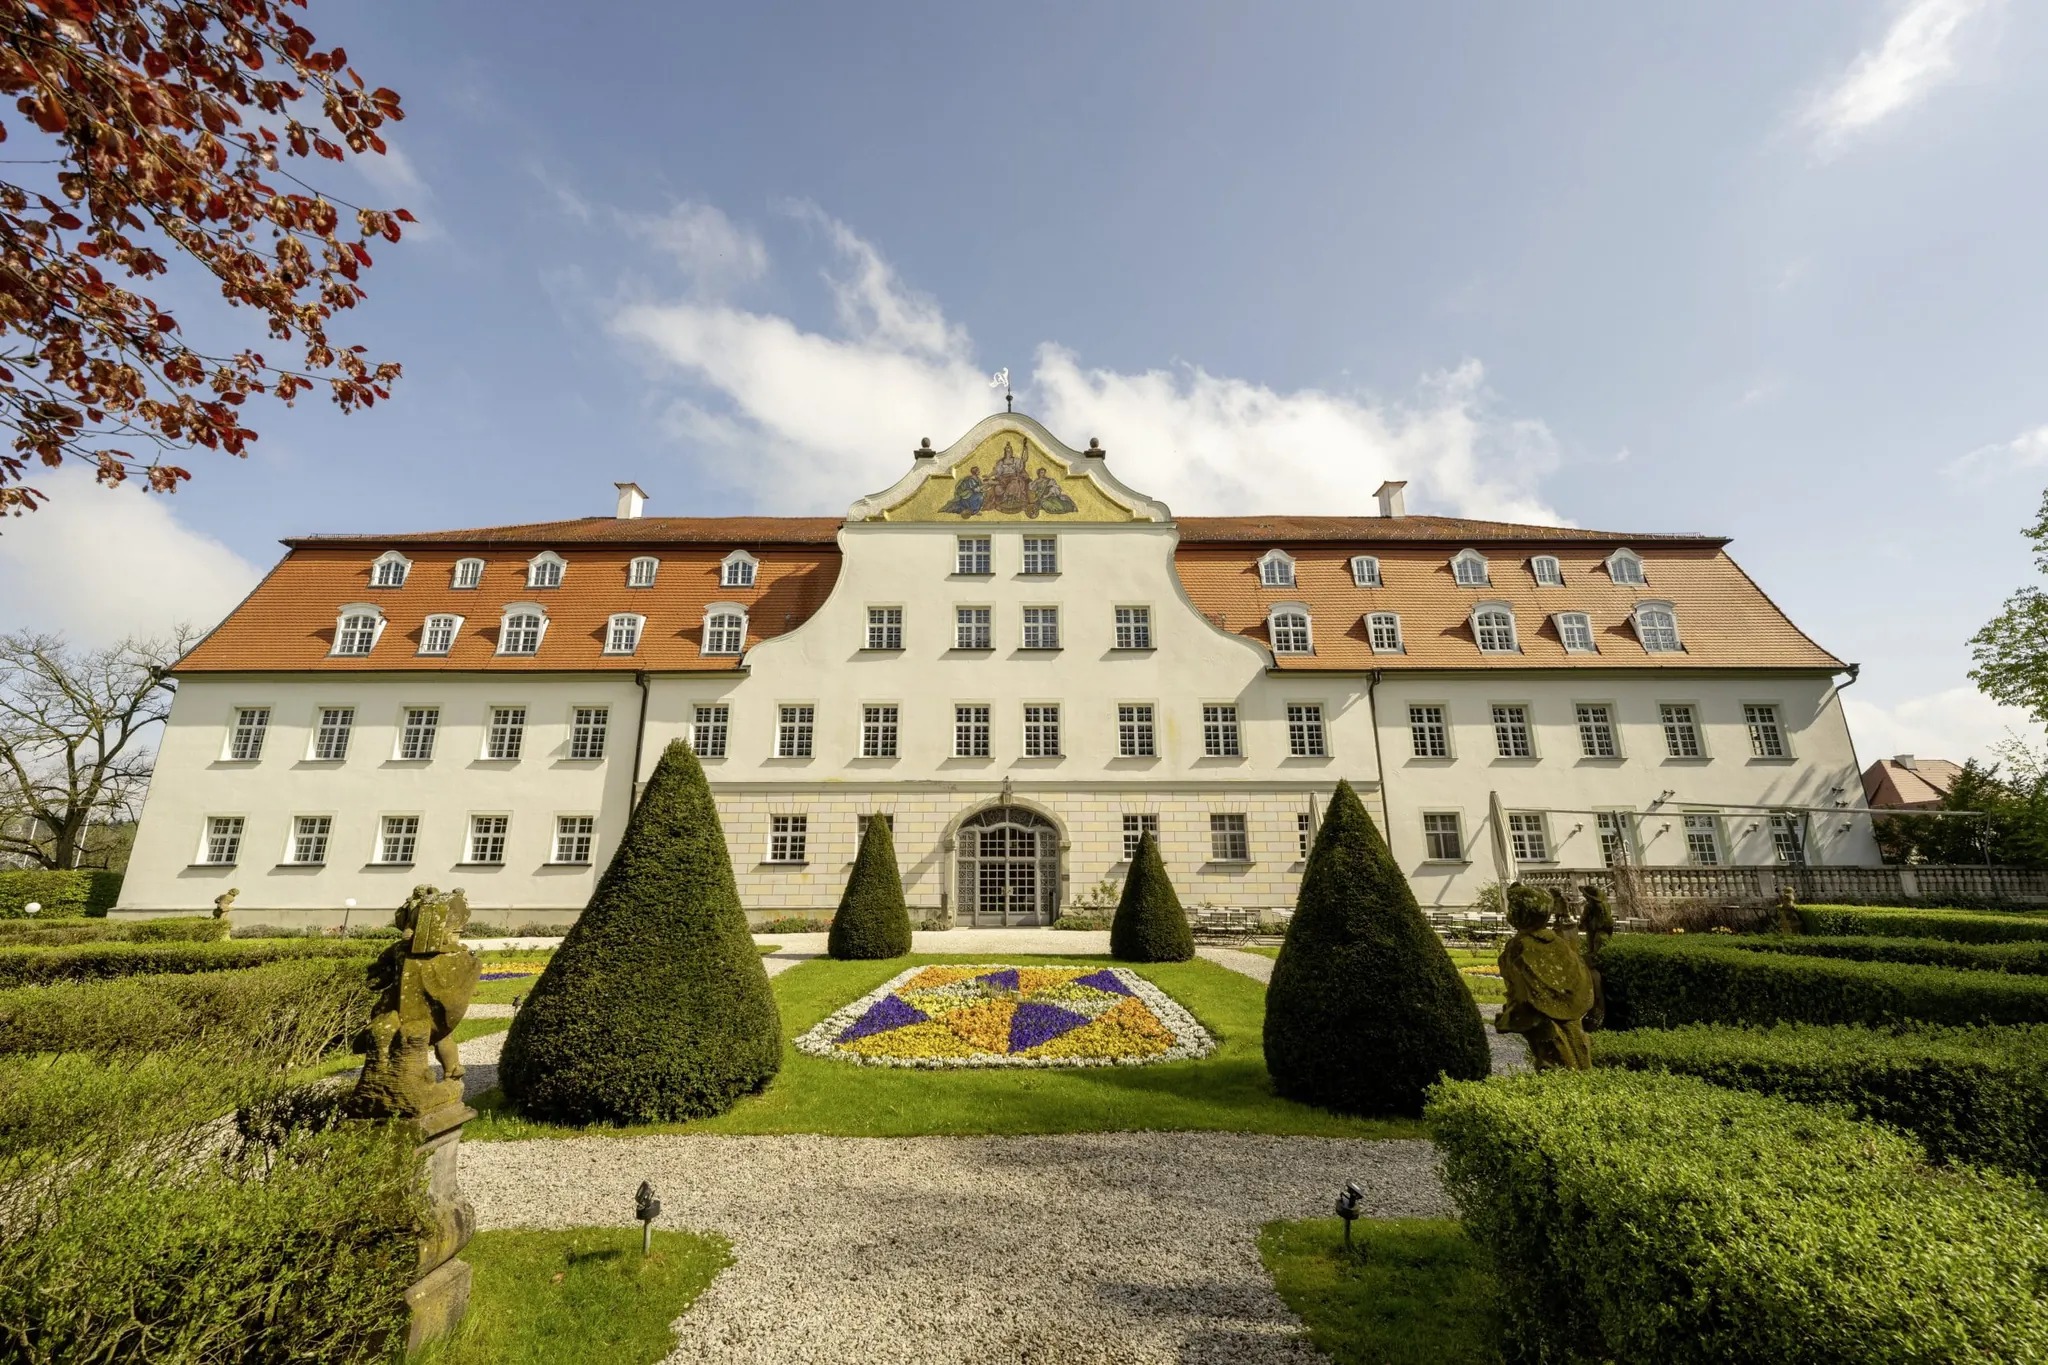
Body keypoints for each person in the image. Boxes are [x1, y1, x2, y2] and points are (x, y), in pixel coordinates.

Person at [1495, 882, 1594, 1071]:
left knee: (1554, 1056)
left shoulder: (1519, 946)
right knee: (1574, 1050)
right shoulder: (1557, 942)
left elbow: (1517, 986)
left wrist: (1512, 1013)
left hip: (1539, 1014)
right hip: (1568, 1011)